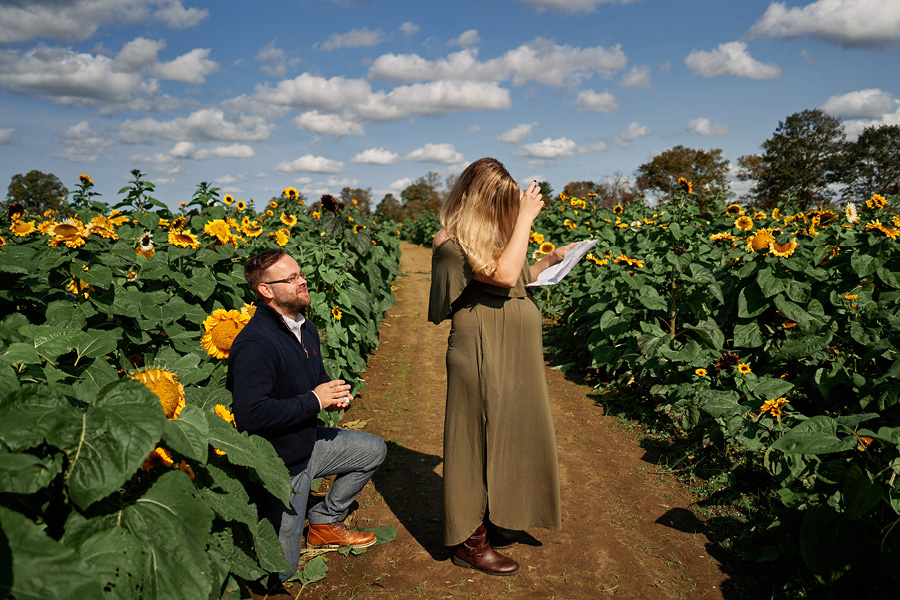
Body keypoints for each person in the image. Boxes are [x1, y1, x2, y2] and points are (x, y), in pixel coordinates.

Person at [428, 158, 575, 576]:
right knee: (472, 436)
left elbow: (514, 276)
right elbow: (506, 276)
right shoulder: (453, 239)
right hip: (481, 344)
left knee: (513, 426)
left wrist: (550, 261)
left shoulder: (481, 236)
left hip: (513, 344)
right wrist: (526, 219)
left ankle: (496, 516)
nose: (509, 210)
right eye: (502, 202)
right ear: (480, 199)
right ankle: (468, 542)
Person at [227, 248, 387, 581]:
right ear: (266, 291)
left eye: (300, 274)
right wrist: (314, 401)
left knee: (373, 449)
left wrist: (332, 391)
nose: (303, 282)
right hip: (278, 463)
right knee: (279, 574)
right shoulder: (255, 343)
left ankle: (325, 521)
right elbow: (251, 415)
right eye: (292, 278)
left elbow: (315, 377)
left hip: (307, 442)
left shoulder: (304, 326)